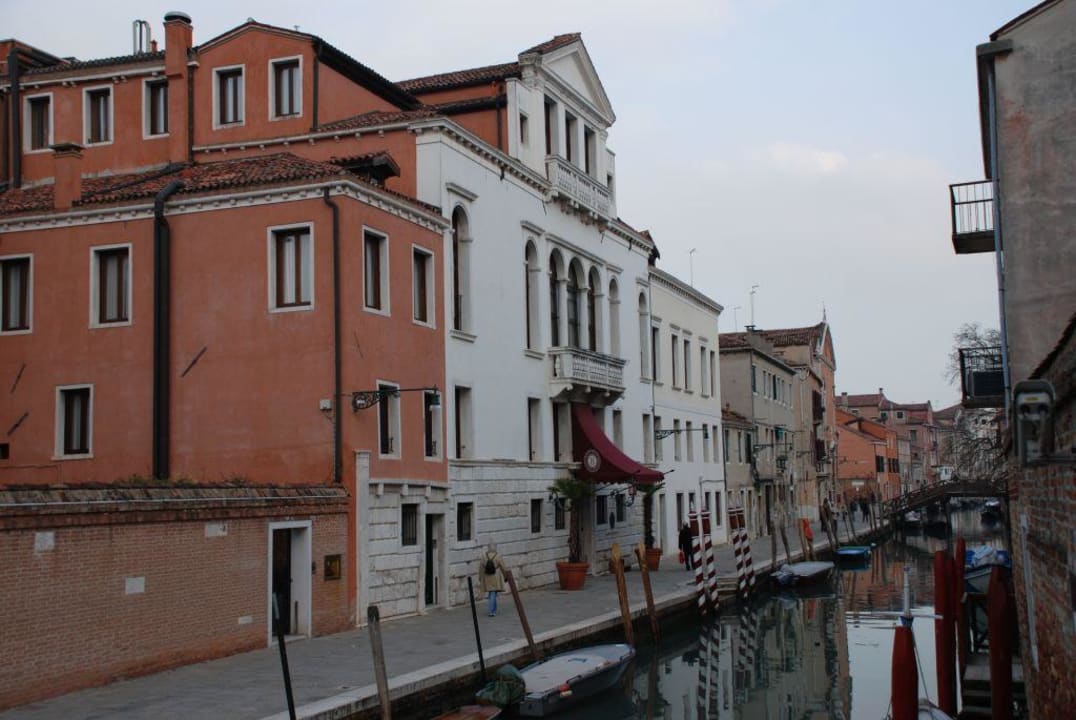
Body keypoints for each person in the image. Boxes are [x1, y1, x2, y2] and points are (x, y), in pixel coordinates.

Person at [479, 543, 505, 617]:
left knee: (492, 593)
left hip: (486, 576)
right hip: (495, 576)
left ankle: (494, 609)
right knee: (493, 593)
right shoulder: (498, 556)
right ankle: (491, 611)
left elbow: (481, 568)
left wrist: (480, 577)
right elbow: (503, 566)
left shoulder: (484, 556)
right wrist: (506, 576)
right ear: (495, 547)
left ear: (488, 548)